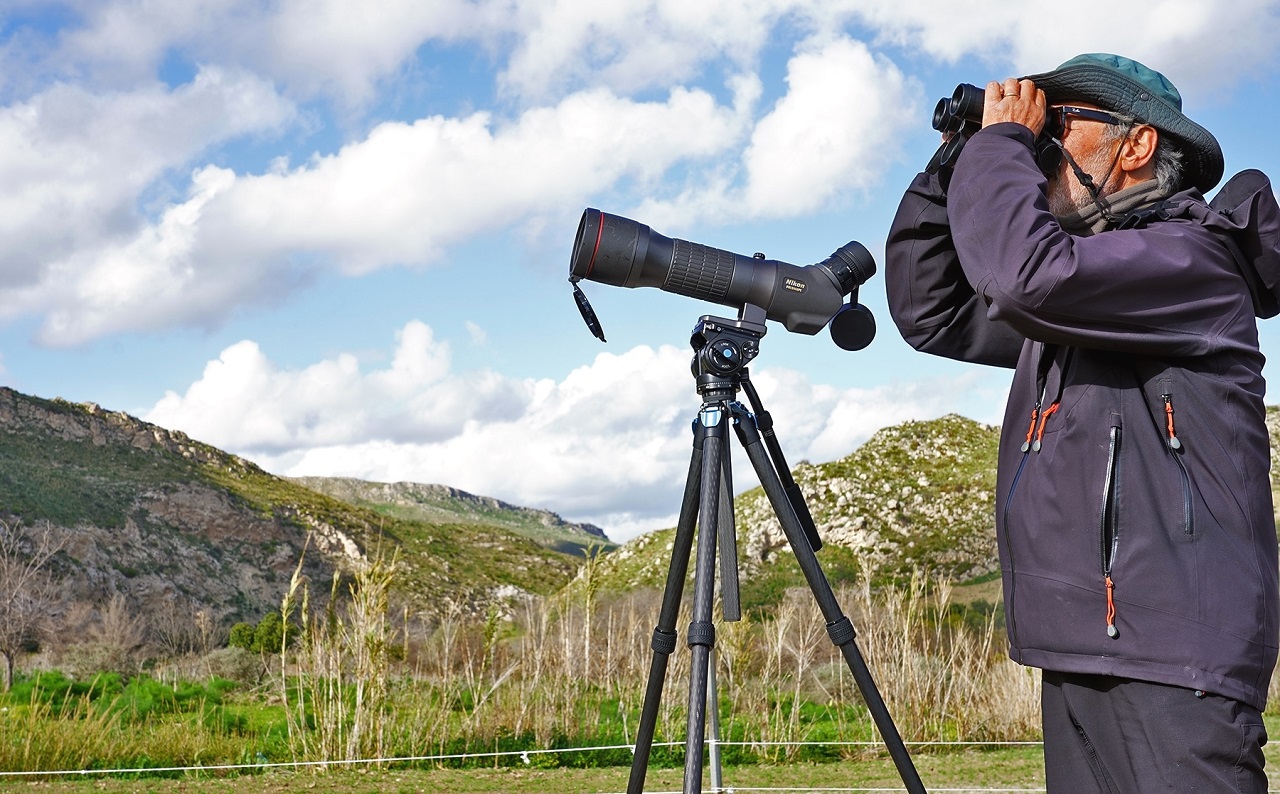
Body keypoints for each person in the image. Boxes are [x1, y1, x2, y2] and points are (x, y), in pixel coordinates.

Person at [885, 53, 1280, 792]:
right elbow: (930, 307)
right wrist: (959, 161)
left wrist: (1001, 148)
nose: (1042, 140)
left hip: (1174, 658)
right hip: (1079, 645)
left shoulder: (1188, 260)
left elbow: (1020, 275)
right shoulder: (1088, 293)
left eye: (1060, 124)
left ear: (1137, 147)